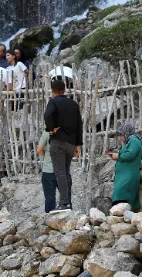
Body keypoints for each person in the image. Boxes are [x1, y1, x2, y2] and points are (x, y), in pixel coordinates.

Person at [44, 78, 82, 212]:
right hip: (71, 144)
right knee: (66, 172)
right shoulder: (73, 104)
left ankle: (64, 203)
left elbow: (47, 115)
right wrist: (78, 145)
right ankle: (68, 202)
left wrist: (51, 129)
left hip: (58, 142)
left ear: (53, 91)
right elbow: (79, 125)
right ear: (64, 90)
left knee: (59, 172)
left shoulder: (53, 102)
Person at [108, 123, 142, 212]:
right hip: (125, 175)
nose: (120, 138)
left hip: (129, 175)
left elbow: (130, 155)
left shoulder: (134, 141)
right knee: (120, 195)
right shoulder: (130, 141)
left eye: (121, 135)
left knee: (122, 193)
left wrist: (118, 156)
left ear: (126, 133)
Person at [37, 130, 59, 213]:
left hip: (48, 170)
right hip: (62, 171)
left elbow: (39, 149)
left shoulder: (47, 132)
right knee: (66, 196)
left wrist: (47, 155)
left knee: (50, 197)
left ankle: (50, 217)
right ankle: (68, 218)